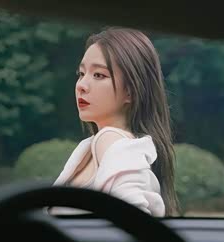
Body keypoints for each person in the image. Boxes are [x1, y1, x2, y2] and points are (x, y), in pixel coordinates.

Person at [53, 27, 179, 217]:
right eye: (81, 73)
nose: (81, 85)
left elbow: (133, 222)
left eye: (99, 75)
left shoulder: (113, 142)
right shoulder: (89, 148)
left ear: (131, 91)